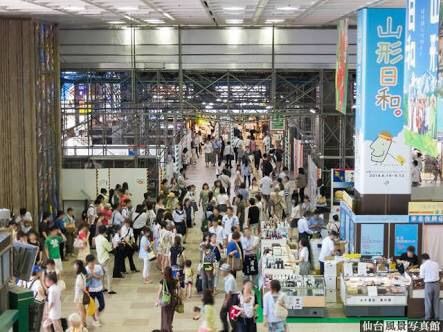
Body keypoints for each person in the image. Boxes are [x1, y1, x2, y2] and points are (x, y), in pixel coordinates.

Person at [156, 266, 179, 332]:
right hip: (172, 301)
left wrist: (157, 300)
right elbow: (175, 291)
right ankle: (169, 328)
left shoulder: (163, 281)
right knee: (170, 316)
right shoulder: (174, 281)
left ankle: (166, 329)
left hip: (165, 300)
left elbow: (159, 291)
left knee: (165, 317)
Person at [94, 225, 116, 294]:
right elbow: (109, 249)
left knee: (102, 274)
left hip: (99, 258)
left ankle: (102, 287)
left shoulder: (96, 238)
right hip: (105, 258)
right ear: (105, 231)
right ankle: (109, 289)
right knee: (109, 274)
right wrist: (114, 246)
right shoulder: (104, 239)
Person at [85, 254, 105, 327]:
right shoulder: (86, 269)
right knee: (91, 306)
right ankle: (95, 320)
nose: (93, 264)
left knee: (102, 305)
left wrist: (94, 275)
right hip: (90, 290)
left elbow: (101, 276)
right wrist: (90, 276)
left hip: (99, 289)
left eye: (94, 262)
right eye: (91, 263)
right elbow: (84, 280)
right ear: (87, 262)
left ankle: (97, 314)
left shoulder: (98, 267)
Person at [420, 253, 440, 320]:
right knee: (436, 301)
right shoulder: (436, 264)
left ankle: (428, 317)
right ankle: (436, 316)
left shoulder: (423, 265)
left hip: (428, 284)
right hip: (437, 284)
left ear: (423, 259)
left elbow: (422, 276)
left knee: (428, 301)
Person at [219, 263, 238, 332]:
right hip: (229, 296)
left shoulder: (230, 279)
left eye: (222, 271)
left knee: (231, 315)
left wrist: (226, 302)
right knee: (222, 314)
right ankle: (225, 329)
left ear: (226, 271)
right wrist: (225, 300)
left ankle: (235, 329)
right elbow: (227, 292)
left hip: (233, 297)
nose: (221, 272)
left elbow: (229, 293)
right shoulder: (226, 278)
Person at [73, 260, 87, 326]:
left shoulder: (79, 276)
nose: (74, 267)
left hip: (79, 297)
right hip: (81, 296)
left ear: (78, 266)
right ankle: (84, 323)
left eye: (75, 265)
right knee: (82, 310)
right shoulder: (82, 275)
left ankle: (82, 325)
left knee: (81, 311)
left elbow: (82, 287)